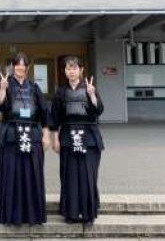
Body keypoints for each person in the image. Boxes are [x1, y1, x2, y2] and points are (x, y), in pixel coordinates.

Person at [0, 52, 51, 225]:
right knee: (11, 174)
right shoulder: (5, 84)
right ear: (12, 67)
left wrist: (46, 134)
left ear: (27, 67)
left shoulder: (34, 87)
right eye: (17, 64)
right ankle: (11, 215)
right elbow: (0, 105)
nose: (20, 67)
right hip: (11, 134)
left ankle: (32, 215)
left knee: (32, 174)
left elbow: (44, 113)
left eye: (23, 64)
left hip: (32, 135)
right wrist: (2, 88)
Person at [50, 55, 104, 225]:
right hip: (67, 136)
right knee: (69, 175)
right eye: (68, 68)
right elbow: (54, 117)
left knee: (88, 174)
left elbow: (99, 110)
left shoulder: (90, 88)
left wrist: (92, 95)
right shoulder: (60, 92)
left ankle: (88, 213)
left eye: (74, 68)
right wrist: (55, 139)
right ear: (65, 72)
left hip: (89, 136)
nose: (71, 71)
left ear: (81, 70)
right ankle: (71, 213)